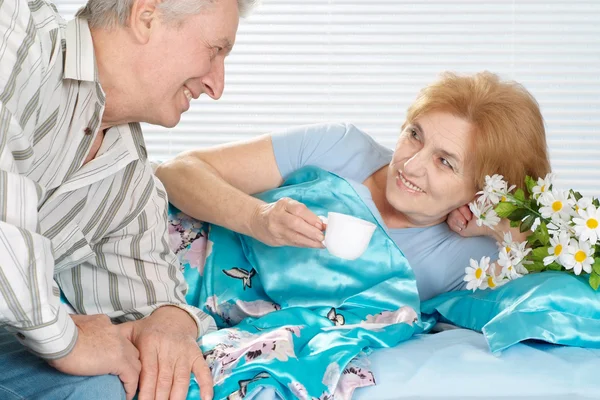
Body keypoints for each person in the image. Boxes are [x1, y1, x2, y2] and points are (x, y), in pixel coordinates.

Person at [0, 0, 256, 399]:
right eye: (215, 50)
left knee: (107, 383)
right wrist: (66, 340)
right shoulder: (14, 34)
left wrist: (170, 323)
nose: (216, 86)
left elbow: (153, 307)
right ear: (146, 17)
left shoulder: (128, 179)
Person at [156, 71, 551, 301]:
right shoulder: (341, 146)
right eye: (414, 134)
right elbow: (176, 172)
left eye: (444, 161)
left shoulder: (465, 260)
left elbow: (556, 265)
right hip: (152, 256)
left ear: (485, 189)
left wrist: (495, 223)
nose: (410, 165)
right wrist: (258, 218)